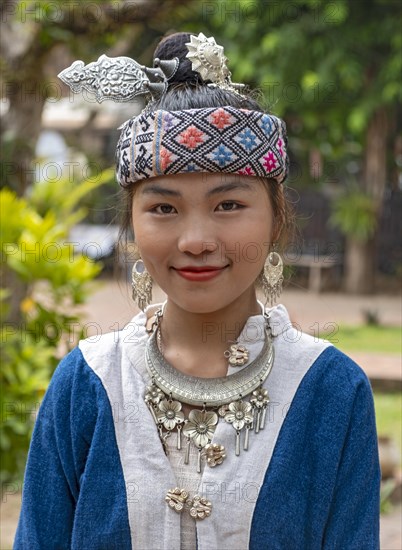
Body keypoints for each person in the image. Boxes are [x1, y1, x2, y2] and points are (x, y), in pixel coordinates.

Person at [14, 32, 380, 550]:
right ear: (133, 226)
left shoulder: (331, 391)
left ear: (277, 220)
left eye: (228, 205)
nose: (196, 241)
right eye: (163, 208)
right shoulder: (87, 384)